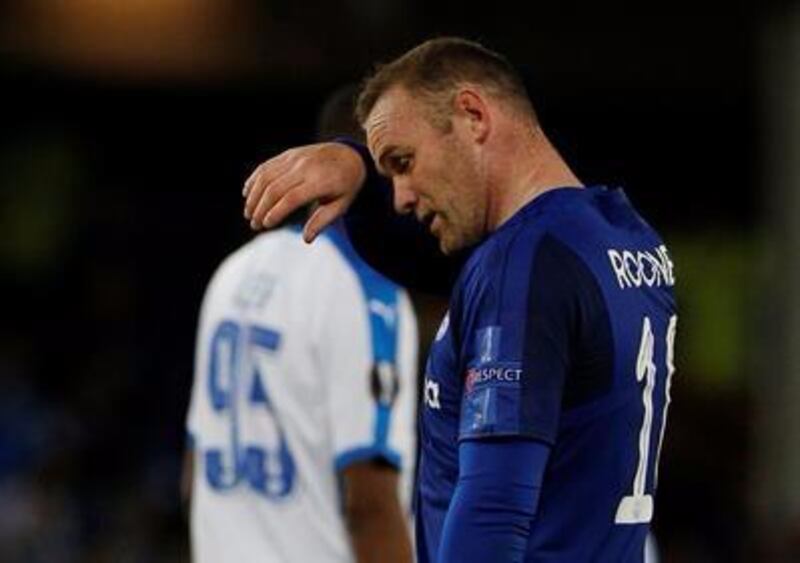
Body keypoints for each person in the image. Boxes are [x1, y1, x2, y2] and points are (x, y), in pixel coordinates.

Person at [242, 37, 678, 563]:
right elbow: (429, 261)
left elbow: (494, 509)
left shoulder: (521, 264)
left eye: (403, 162)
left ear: (473, 115)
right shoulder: (624, 237)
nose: (400, 197)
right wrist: (360, 167)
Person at [183, 85, 419, 563]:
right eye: (404, 160)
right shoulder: (368, 291)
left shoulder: (235, 271)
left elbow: (193, 471)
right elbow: (369, 502)